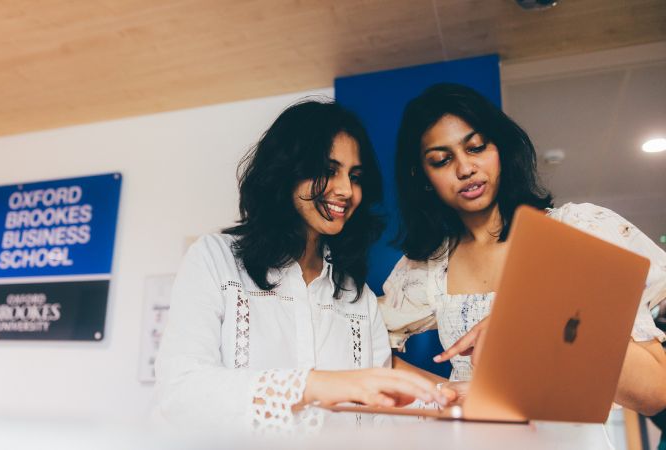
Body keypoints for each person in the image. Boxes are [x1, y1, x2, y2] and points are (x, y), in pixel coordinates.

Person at [153, 99, 452, 434]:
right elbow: (180, 393)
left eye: (355, 176)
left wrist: (455, 397)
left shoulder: (358, 297)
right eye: (328, 171)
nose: (345, 190)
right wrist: (312, 386)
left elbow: (378, 419)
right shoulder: (214, 259)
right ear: (285, 171)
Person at [379, 83, 666, 416]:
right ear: (424, 177)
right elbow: (361, 346)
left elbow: (657, 392)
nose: (465, 168)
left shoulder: (578, 231)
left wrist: (542, 320)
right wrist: (442, 393)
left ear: (499, 146)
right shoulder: (428, 269)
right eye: (442, 160)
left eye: (476, 147)